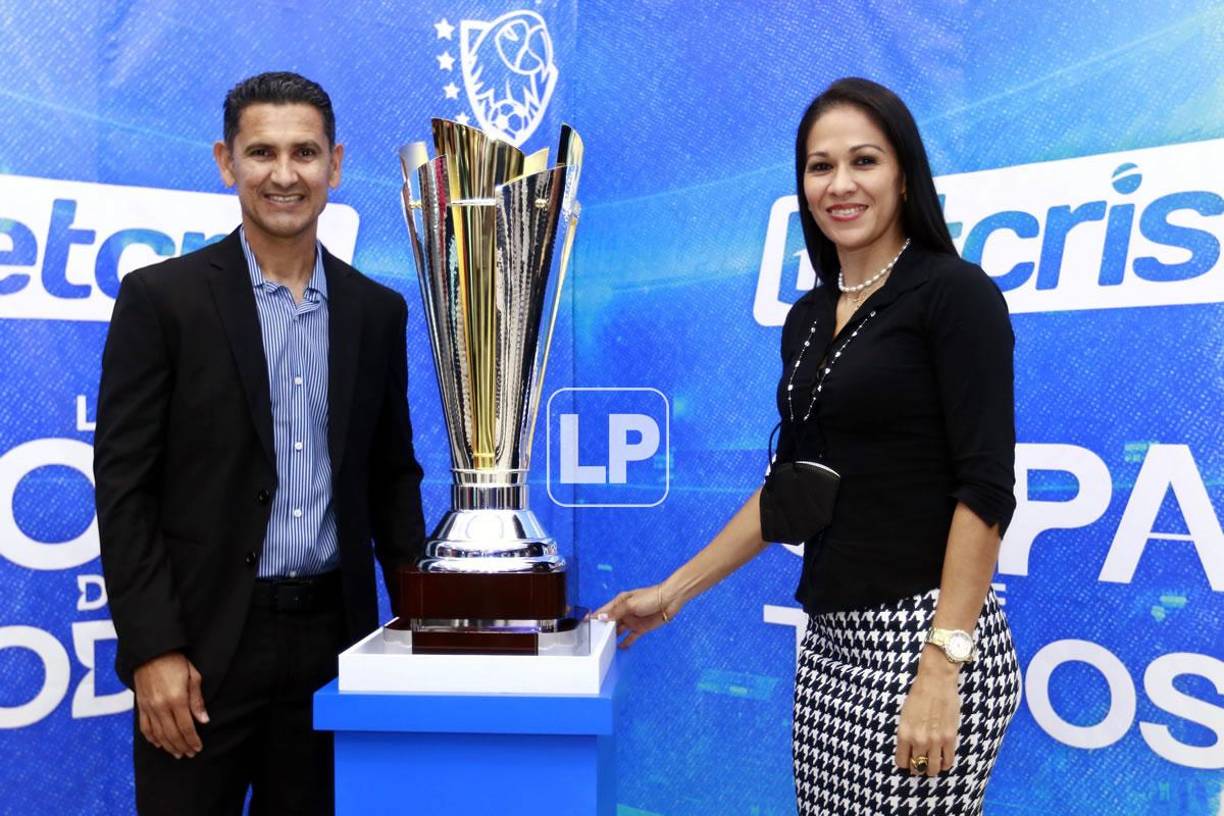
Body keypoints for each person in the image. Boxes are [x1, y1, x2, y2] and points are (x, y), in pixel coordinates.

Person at [595, 77, 1021, 816]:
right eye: (821, 166)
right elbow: (792, 490)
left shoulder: (954, 294)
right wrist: (671, 594)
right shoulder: (809, 318)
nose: (840, 184)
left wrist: (942, 665)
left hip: (926, 640)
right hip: (829, 646)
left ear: (905, 175)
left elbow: (984, 490)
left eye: (864, 161)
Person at [94, 71, 427, 815]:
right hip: (199, 653)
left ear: (335, 164)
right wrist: (153, 650)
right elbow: (124, 491)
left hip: (335, 649)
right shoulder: (162, 301)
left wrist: (422, 634)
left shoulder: (377, 312)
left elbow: (391, 481)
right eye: (262, 152)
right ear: (226, 162)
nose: (284, 175)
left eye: (304, 153)